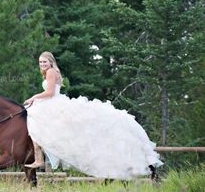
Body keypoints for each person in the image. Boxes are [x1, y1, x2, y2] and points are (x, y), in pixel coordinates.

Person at [22, 51, 162, 180]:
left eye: (44, 62)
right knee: (35, 119)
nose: (42, 64)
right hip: (52, 102)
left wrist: (33, 97)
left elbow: (50, 92)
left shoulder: (50, 72)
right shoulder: (50, 72)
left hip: (54, 102)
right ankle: (39, 155)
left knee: (34, 117)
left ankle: (39, 156)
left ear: (51, 62)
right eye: (40, 62)